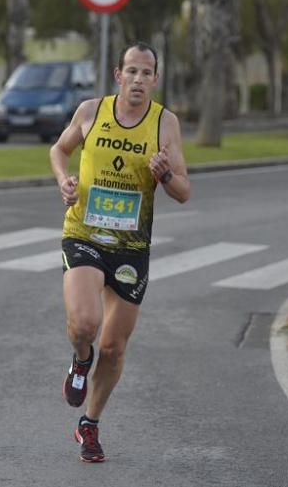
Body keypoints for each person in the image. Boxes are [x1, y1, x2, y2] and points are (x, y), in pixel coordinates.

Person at [49, 42, 190, 463]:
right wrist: (64, 180)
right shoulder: (91, 112)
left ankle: (89, 424)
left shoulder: (166, 124)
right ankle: (78, 361)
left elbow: (184, 191)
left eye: (146, 73)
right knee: (85, 324)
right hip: (84, 234)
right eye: (132, 71)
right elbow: (59, 150)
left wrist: (165, 175)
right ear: (118, 75)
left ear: (155, 79)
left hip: (131, 246)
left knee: (114, 348)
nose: (138, 80)